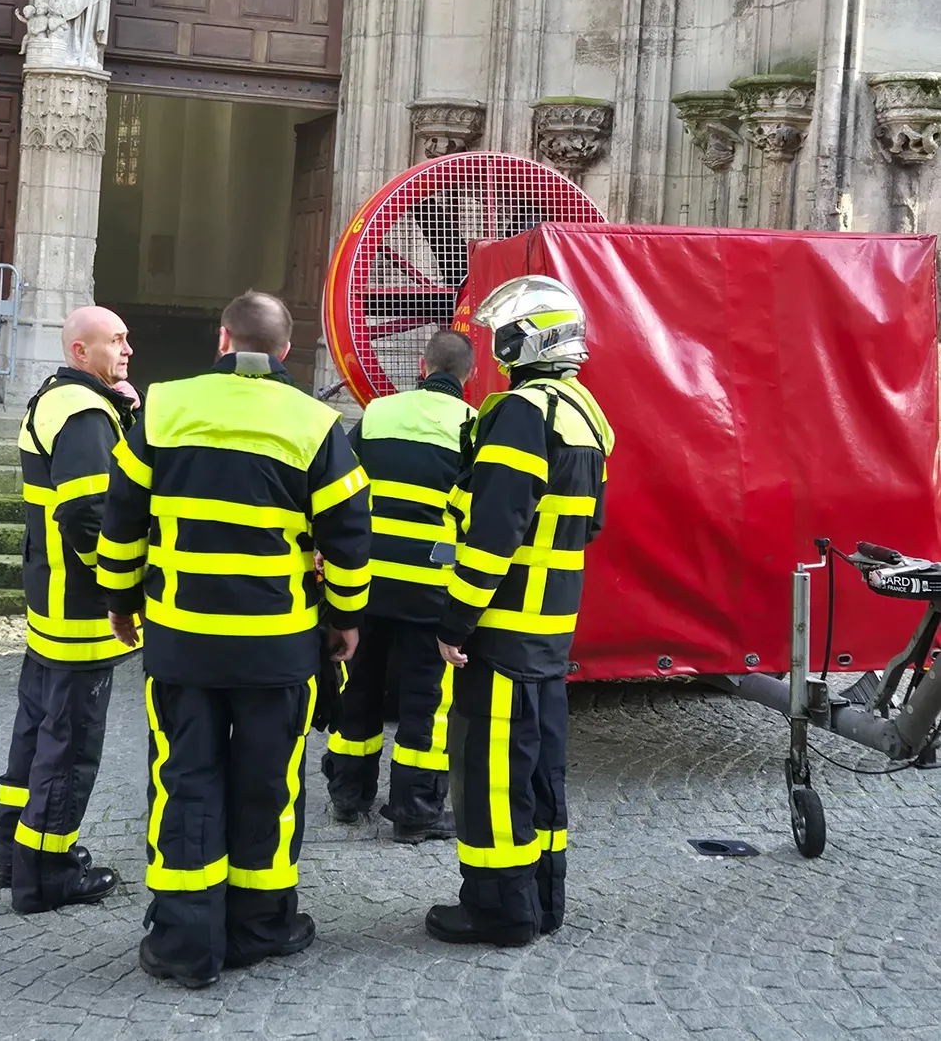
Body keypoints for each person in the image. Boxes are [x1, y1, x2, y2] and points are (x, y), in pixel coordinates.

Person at [98, 290, 371, 989]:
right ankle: (262, 925)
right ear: (282, 350)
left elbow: (122, 518)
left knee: (182, 777)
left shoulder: (161, 407)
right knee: (271, 784)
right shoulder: (316, 422)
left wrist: (121, 599)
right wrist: (345, 617)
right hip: (275, 647)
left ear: (223, 339)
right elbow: (347, 539)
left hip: (182, 639)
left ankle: (184, 940)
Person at [425, 276, 614, 949]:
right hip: (550, 628)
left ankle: (499, 912)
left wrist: (456, 619)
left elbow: (494, 528)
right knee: (537, 768)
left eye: (504, 331)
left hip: (502, 629)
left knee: (489, 774)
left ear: (526, 337)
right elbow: (585, 526)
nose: (497, 342)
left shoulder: (519, 410)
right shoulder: (584, 413)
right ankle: (542, 899)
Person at [0, 306, 140, 915]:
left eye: (128, 338)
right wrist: (119, 589)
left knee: (36, 733)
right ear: (81, 351)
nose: (128, 349)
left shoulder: (61, 398)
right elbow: (87, 513)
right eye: (115, 340)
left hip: (50, 596)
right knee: (71, 743)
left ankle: (15, 856)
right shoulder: (83, 413)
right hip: (80, 606)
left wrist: (126, 413)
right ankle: (48, 874)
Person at [322, 328, 476, 842]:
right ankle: (414, 810)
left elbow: (340, 489)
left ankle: (348, 794)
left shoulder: (379, 413)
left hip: (367, 583)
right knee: (424, 701)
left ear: (422, 364)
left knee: (359, 684)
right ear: (468, 376)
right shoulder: (475, 427)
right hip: (432, 588)